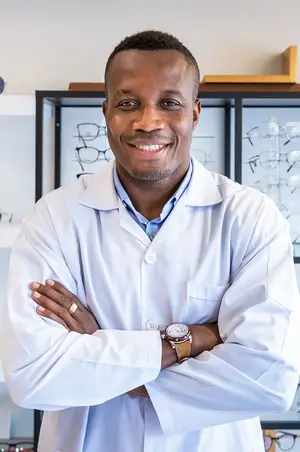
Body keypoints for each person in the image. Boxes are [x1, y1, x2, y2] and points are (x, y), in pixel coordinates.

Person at [0, 30, 300, 452]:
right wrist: (192, 340)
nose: (148, 121)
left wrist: (100, 353)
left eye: (169, 103)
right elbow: (33, 376)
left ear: (195, 113)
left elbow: (269, 378)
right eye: (128, 103)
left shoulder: (250, 217)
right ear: (106, 113)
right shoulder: (54, 218)